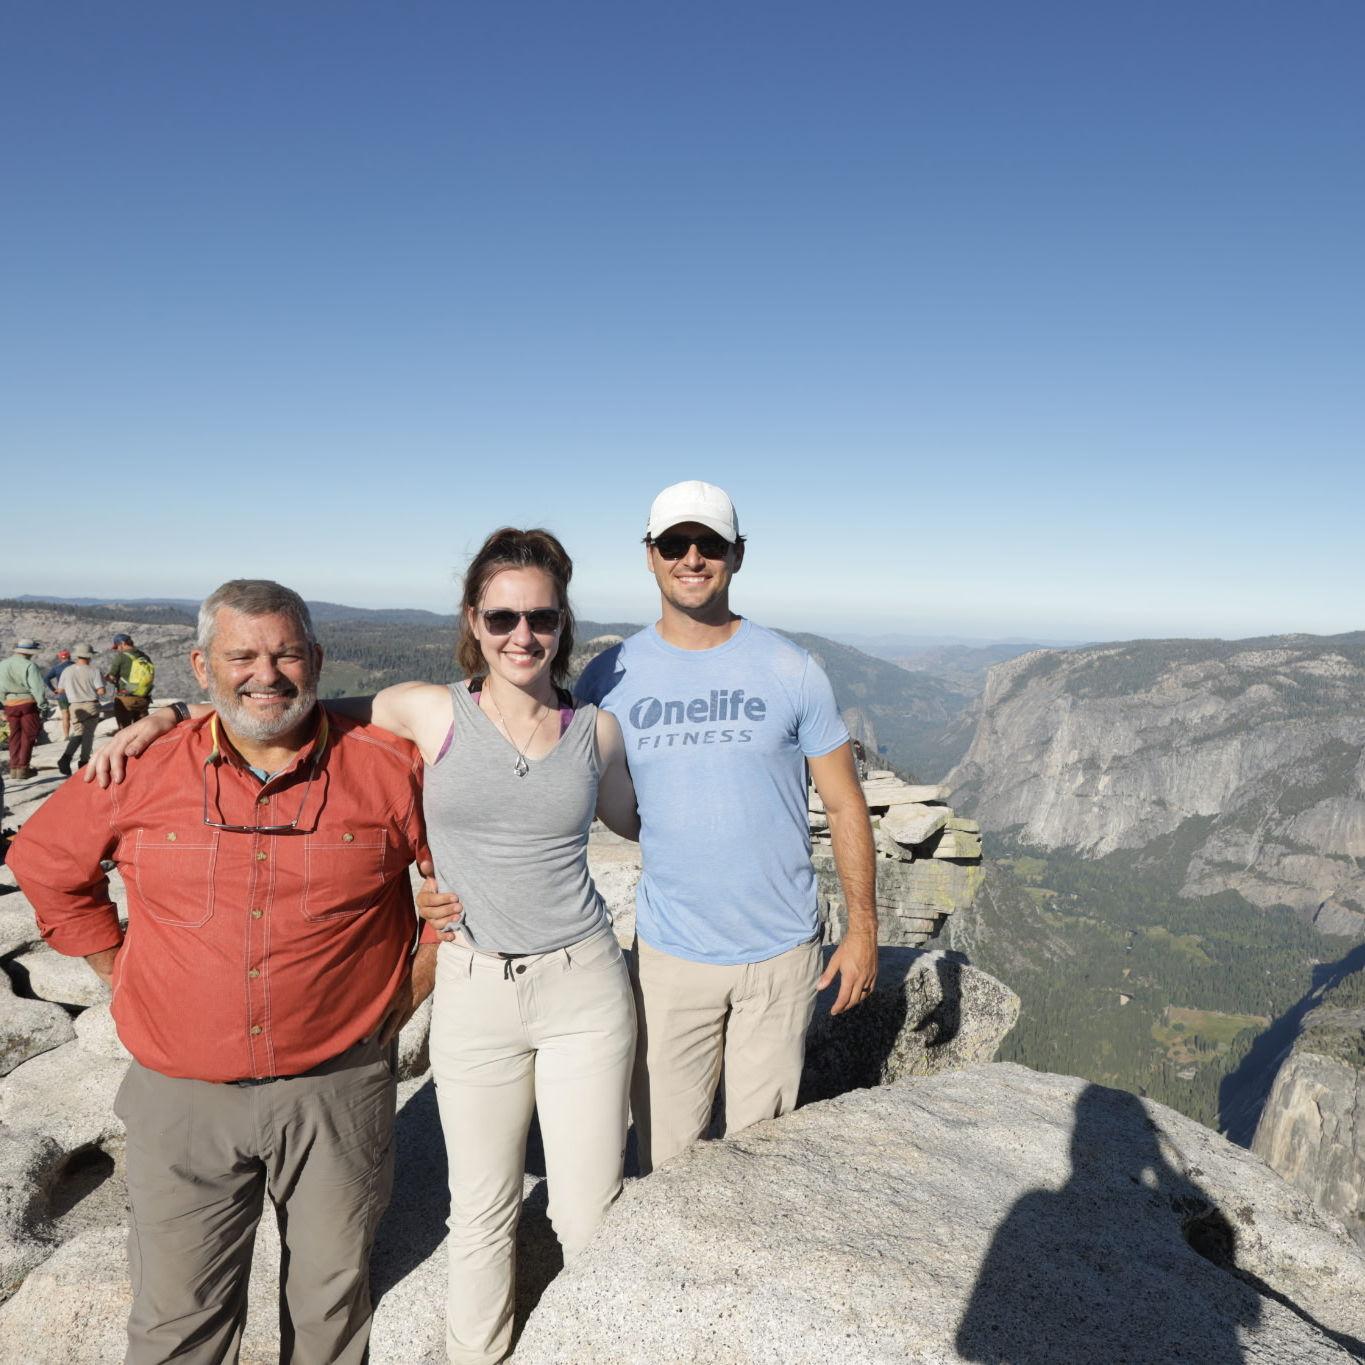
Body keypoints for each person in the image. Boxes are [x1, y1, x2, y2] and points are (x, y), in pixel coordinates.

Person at [93, 531, 641, 1365]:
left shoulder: (596, 731)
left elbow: (641, 823)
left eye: (541, 615)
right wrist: (172, 713)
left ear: (564, 622)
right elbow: (282, 706)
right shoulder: (426, 709)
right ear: (473, 618)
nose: (521, 633)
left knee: (589, 1210)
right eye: (502, 615)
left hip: (584, 981)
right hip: (475, 983)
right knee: (481, 1206)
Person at [11, 580, 431, 1364]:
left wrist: (408, 994)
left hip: (336, 1088)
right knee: (177, 1322)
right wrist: (118, 965)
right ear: (202, 665)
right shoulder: (141, 768)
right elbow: (42, 862)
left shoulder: (387, 765)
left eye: (286, 653)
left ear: (317, 660)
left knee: (330, 1310)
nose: (264, 674)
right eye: (242, 655)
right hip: (182, 1097)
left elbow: (459, 891)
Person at [431, 482, 878, 1177]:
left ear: (737, 554)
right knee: (666, 1161)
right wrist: (445, 880)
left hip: (782, 955)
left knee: (764, 1163)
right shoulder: (613, 673)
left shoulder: (792, 668)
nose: (691, 557)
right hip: (670, 956)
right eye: (674, 543)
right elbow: (523, 757)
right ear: (650, 556)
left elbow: (845, 803)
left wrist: (863, 929)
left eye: (709, 544)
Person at [1, 638, 50, 780]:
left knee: (14, 736)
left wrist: (5, 702)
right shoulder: (30, 665)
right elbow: (37, 688)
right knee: (29, 735)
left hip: (10, 704)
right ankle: (23, 768)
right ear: (30, 652)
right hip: (27, 703)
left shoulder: (3, 664)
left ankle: (14, 768)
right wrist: (43, 705)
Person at [55, 645, 105, 775]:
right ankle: (83, 762)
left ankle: (65, 759)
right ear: (90, 656)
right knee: (88, 735)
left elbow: (60, 690)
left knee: (78, 733)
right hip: (91, 705)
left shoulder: (67, 671)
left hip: (74, 706)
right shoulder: (94, 670)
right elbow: (101, 691)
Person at [106, 631, 156, 728]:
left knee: (125, 731)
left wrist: (107, 678)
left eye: (117, 647)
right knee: (141, 731)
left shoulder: (121, 657)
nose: (117, 650)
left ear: (122, 644)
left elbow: (112, 677)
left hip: (126, 698)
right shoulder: (144, 656)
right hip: (143, 698)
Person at [43, 648, 73, 741]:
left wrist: (54, 690)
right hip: (74, 694)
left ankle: (66, 736)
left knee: (65, 716)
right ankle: (80, 734)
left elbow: (46, 679)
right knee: (76, 715)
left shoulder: (56, 668)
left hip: (62, 695)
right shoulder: (75, 665)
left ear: (60, 658)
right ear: (70, 656)